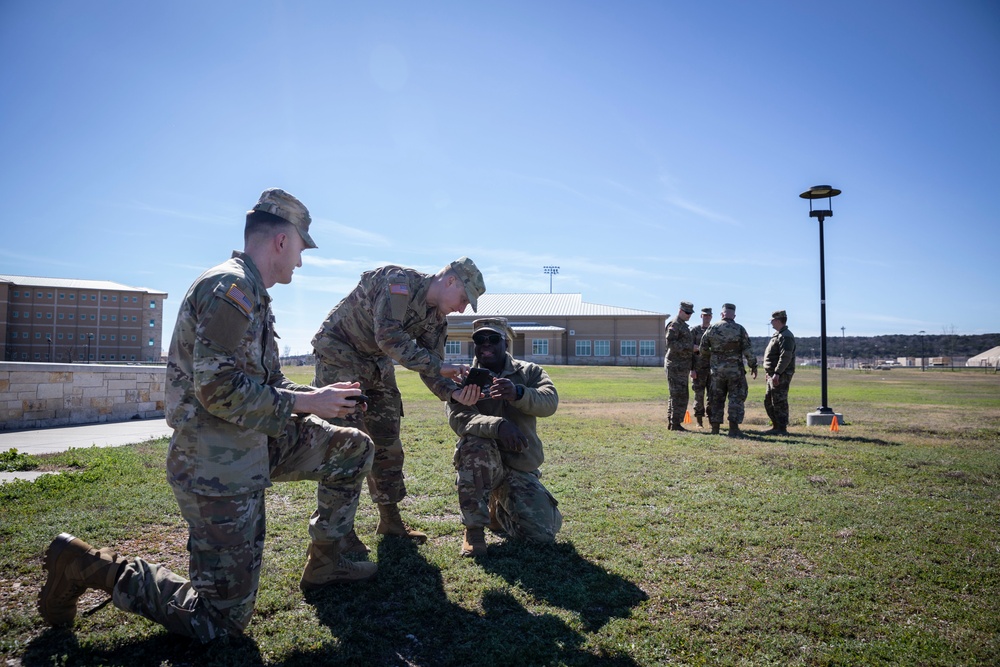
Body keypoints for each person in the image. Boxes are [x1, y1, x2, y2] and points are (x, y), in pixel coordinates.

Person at [39, 188, 378, 643]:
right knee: (221, 621)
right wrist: (306, 404)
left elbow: (266, 384)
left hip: (254, 441)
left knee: (351, 447)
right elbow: (218, 390)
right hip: (216, 462)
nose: (300, 261)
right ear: (281, 241)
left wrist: (318, 394)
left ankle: (328, 560)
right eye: (301, 249)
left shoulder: (251, 291)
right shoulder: (230, 289)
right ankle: (83, 565)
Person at [312, 257, 486, 554]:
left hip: (376, 362)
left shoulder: (436, 319)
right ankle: (339, 534)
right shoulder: (398, 283)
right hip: (340, 354)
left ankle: (390, 519)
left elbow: (433, 368)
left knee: (388, 441)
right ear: (451, 280)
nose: (462, 308)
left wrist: (453, 393)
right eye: (462, 299)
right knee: (346, 443)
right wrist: (438, 367)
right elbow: (389, 337)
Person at [446, 317, 561, 557]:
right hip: (483, 465)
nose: (486, 344)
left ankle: (498, 510)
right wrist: (498, 426)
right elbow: (458, 418)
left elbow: (549, 402)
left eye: (493, 339)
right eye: (480, 339)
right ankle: (474, 529)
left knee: (542, 535)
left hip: (519, 467)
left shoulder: (528, 372)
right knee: (474, 443)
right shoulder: (463, 378)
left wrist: (519, 393)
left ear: (505, 343)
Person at [700, 302, 758, 437]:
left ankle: (715, 428)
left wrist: (713, 356)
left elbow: (703, 348)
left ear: (722, 314)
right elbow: (748, 350)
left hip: (717, 371)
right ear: (734, 315)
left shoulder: (713, 328)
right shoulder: (739, 329)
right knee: (735, 398)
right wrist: (753, 365)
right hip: (735, 371)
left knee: (716, 398)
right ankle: (733, 428)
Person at [762, 310, 796, 435]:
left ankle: (781, 428)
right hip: (773, 374)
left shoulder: (785, 336)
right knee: (769, 400)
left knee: (779, 401)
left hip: (781, 374)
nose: (771, 322)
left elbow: (785, 356)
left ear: (777, 320)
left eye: (772, 320)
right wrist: (769, 372)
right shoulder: (778, 335)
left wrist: (777, 373)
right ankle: (776, 426)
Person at [663, 301, 696, 431]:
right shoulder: (675, 325)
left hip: (682, 366)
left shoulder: (683, 325)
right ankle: (675, 423)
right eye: (687, 313)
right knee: (678, 394)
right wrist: (690, 347)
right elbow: (671, 344)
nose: (689, 315)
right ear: (680, 311)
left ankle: (674, 422)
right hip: (675, 365)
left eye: (691, 313)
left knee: (678, 394)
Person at [689, 307, 713, 427]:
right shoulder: (694, 330)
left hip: (712, 369)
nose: (707, 317)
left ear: (711, 316)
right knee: (699, 396)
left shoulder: (715, 330)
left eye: (709, 315)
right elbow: (689, 350)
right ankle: (699, 421)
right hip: (698, 368)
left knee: (712, 396)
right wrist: (691, 369)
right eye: (705, 315)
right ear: (701, 316)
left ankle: (712, 421)